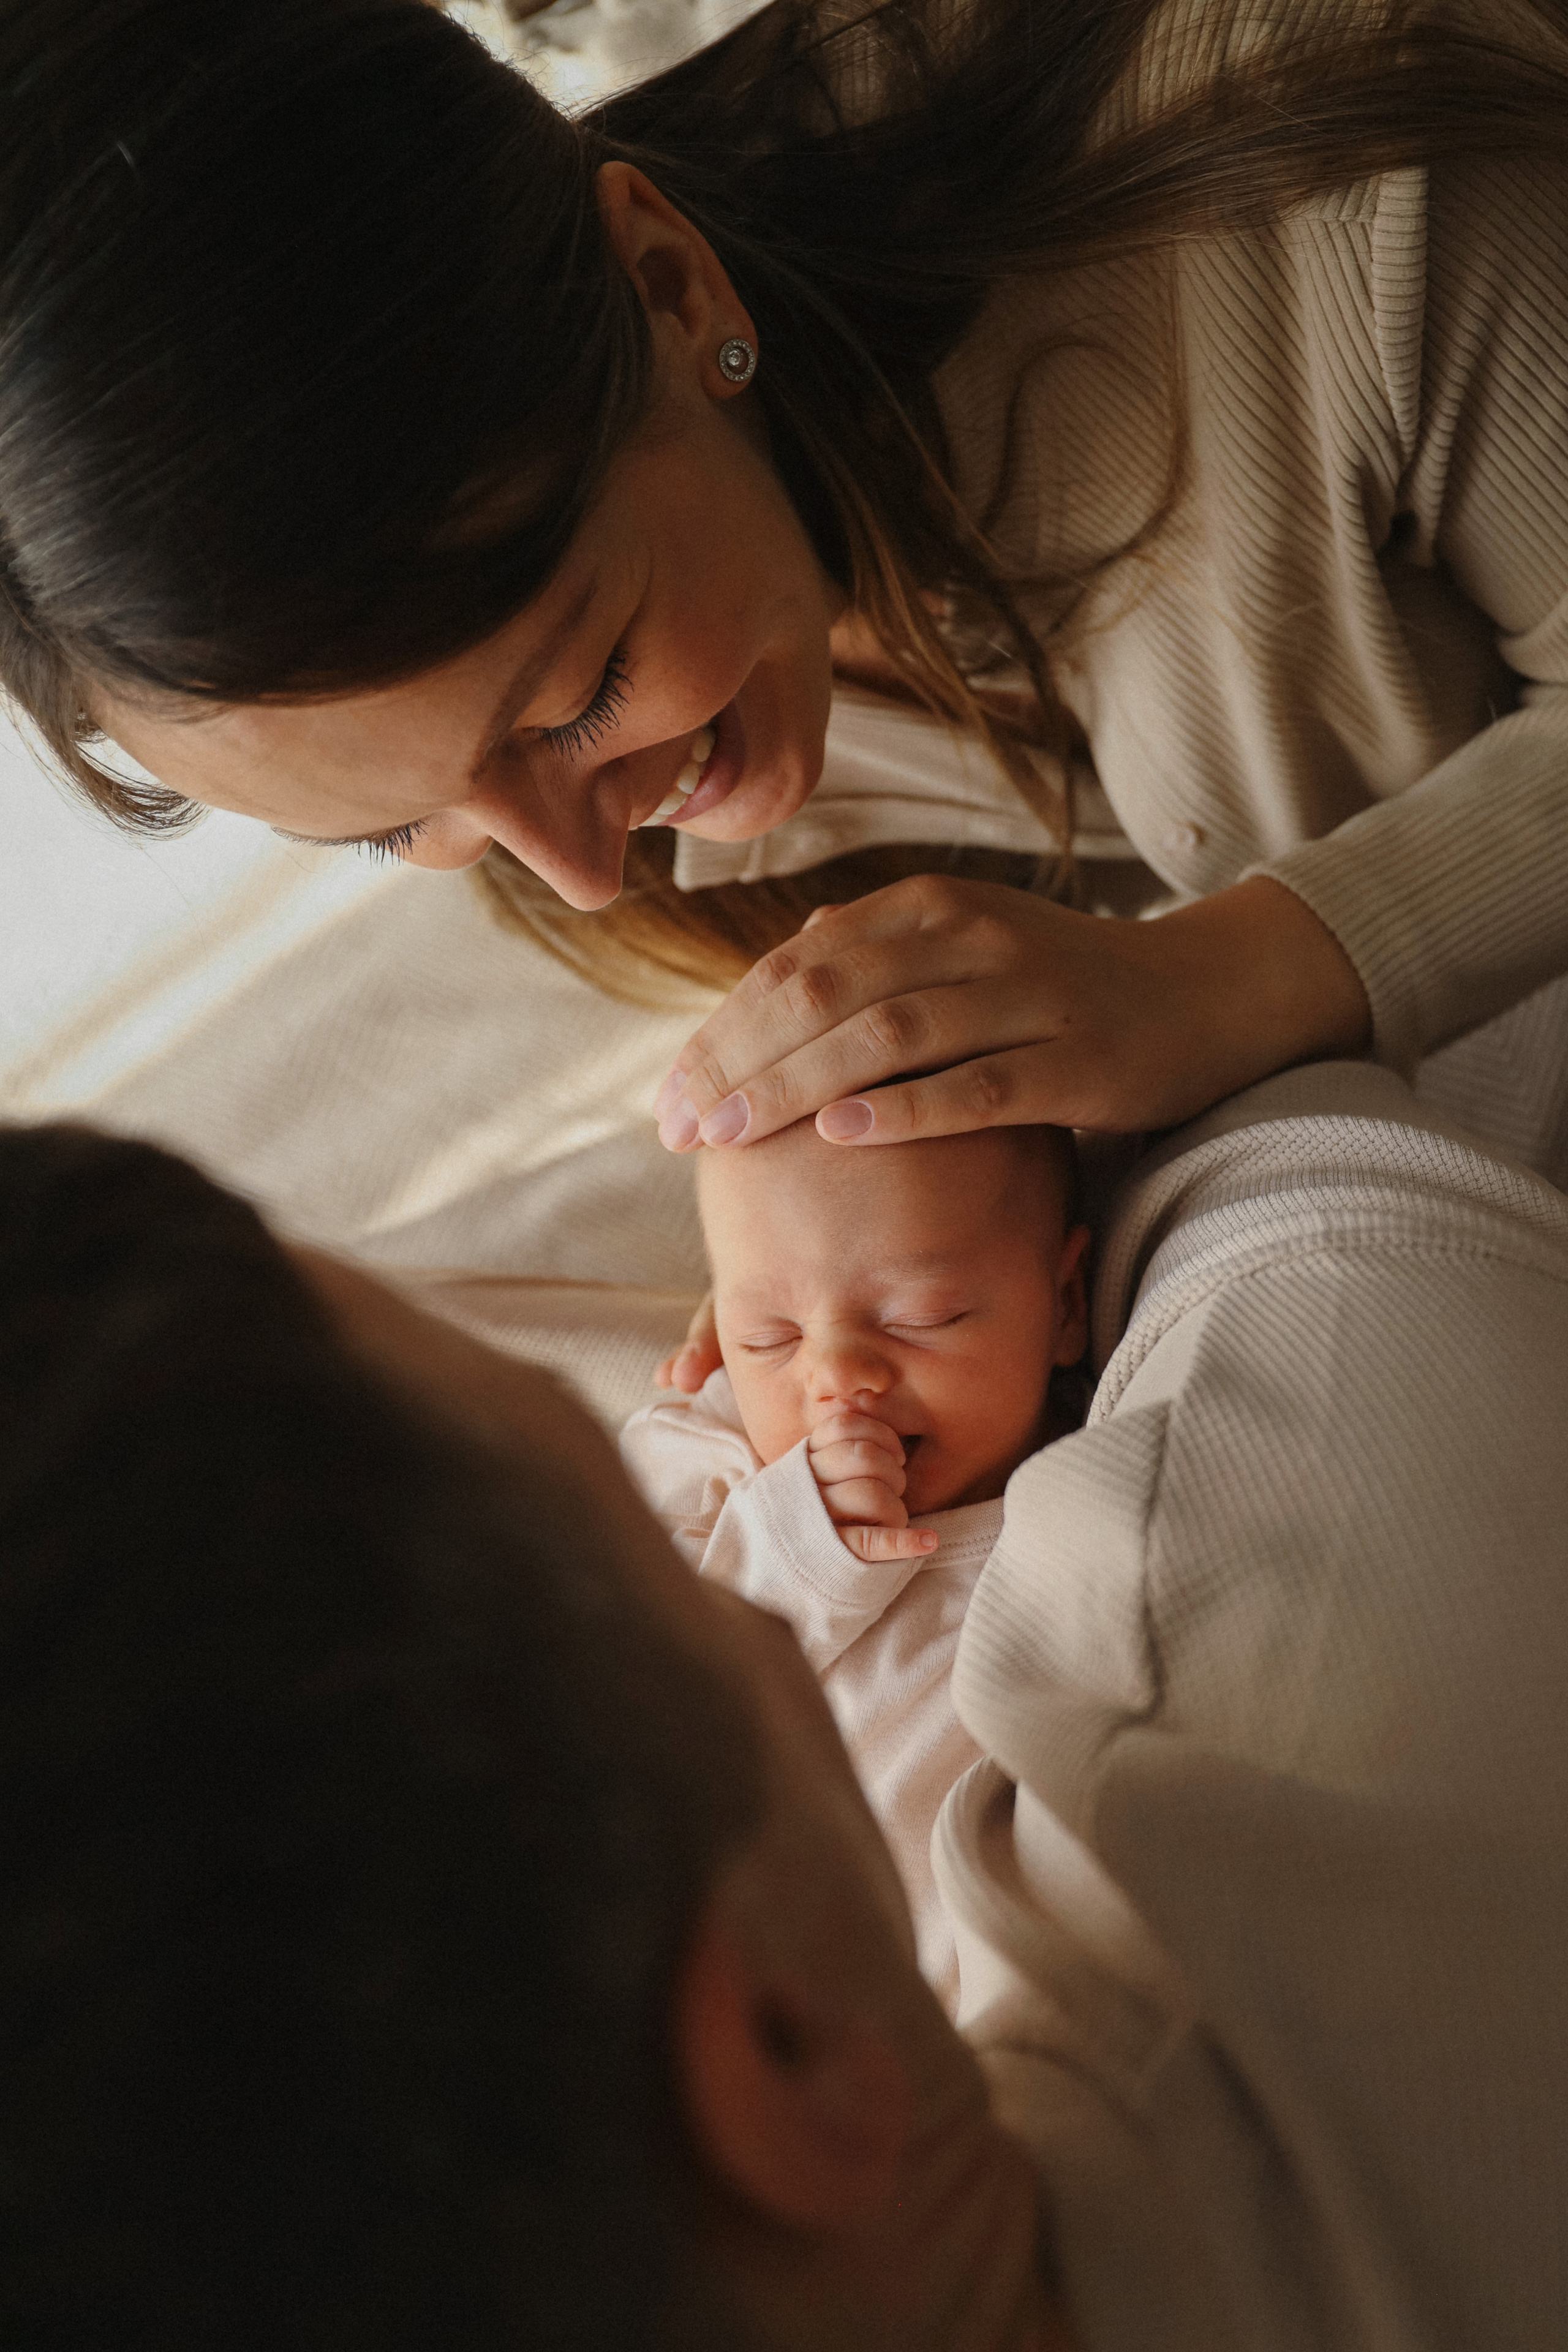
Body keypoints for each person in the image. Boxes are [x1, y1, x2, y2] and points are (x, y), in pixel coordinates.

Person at [7, 1055, 1568, 2350]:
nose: (807, 1390)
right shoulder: (1274, 1817)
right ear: (784, 2053)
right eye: (648, 1542)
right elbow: (1302, 1157)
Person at [3, 0, 1568, 1212]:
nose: (587, 872)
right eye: (383, 829)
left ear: (672, 291)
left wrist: (1225, 976)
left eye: (584, 689)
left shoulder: (1342, 187)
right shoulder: (506, 789)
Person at [621, 1110, 1090, 2003]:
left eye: (921, 1316)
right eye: (770, 1335)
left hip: (973, 1985)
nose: (834, 1372)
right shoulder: (711, 1455)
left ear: (1065, 1303)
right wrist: (797, 1537)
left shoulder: (1099, 1465)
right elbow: (644, 1681)